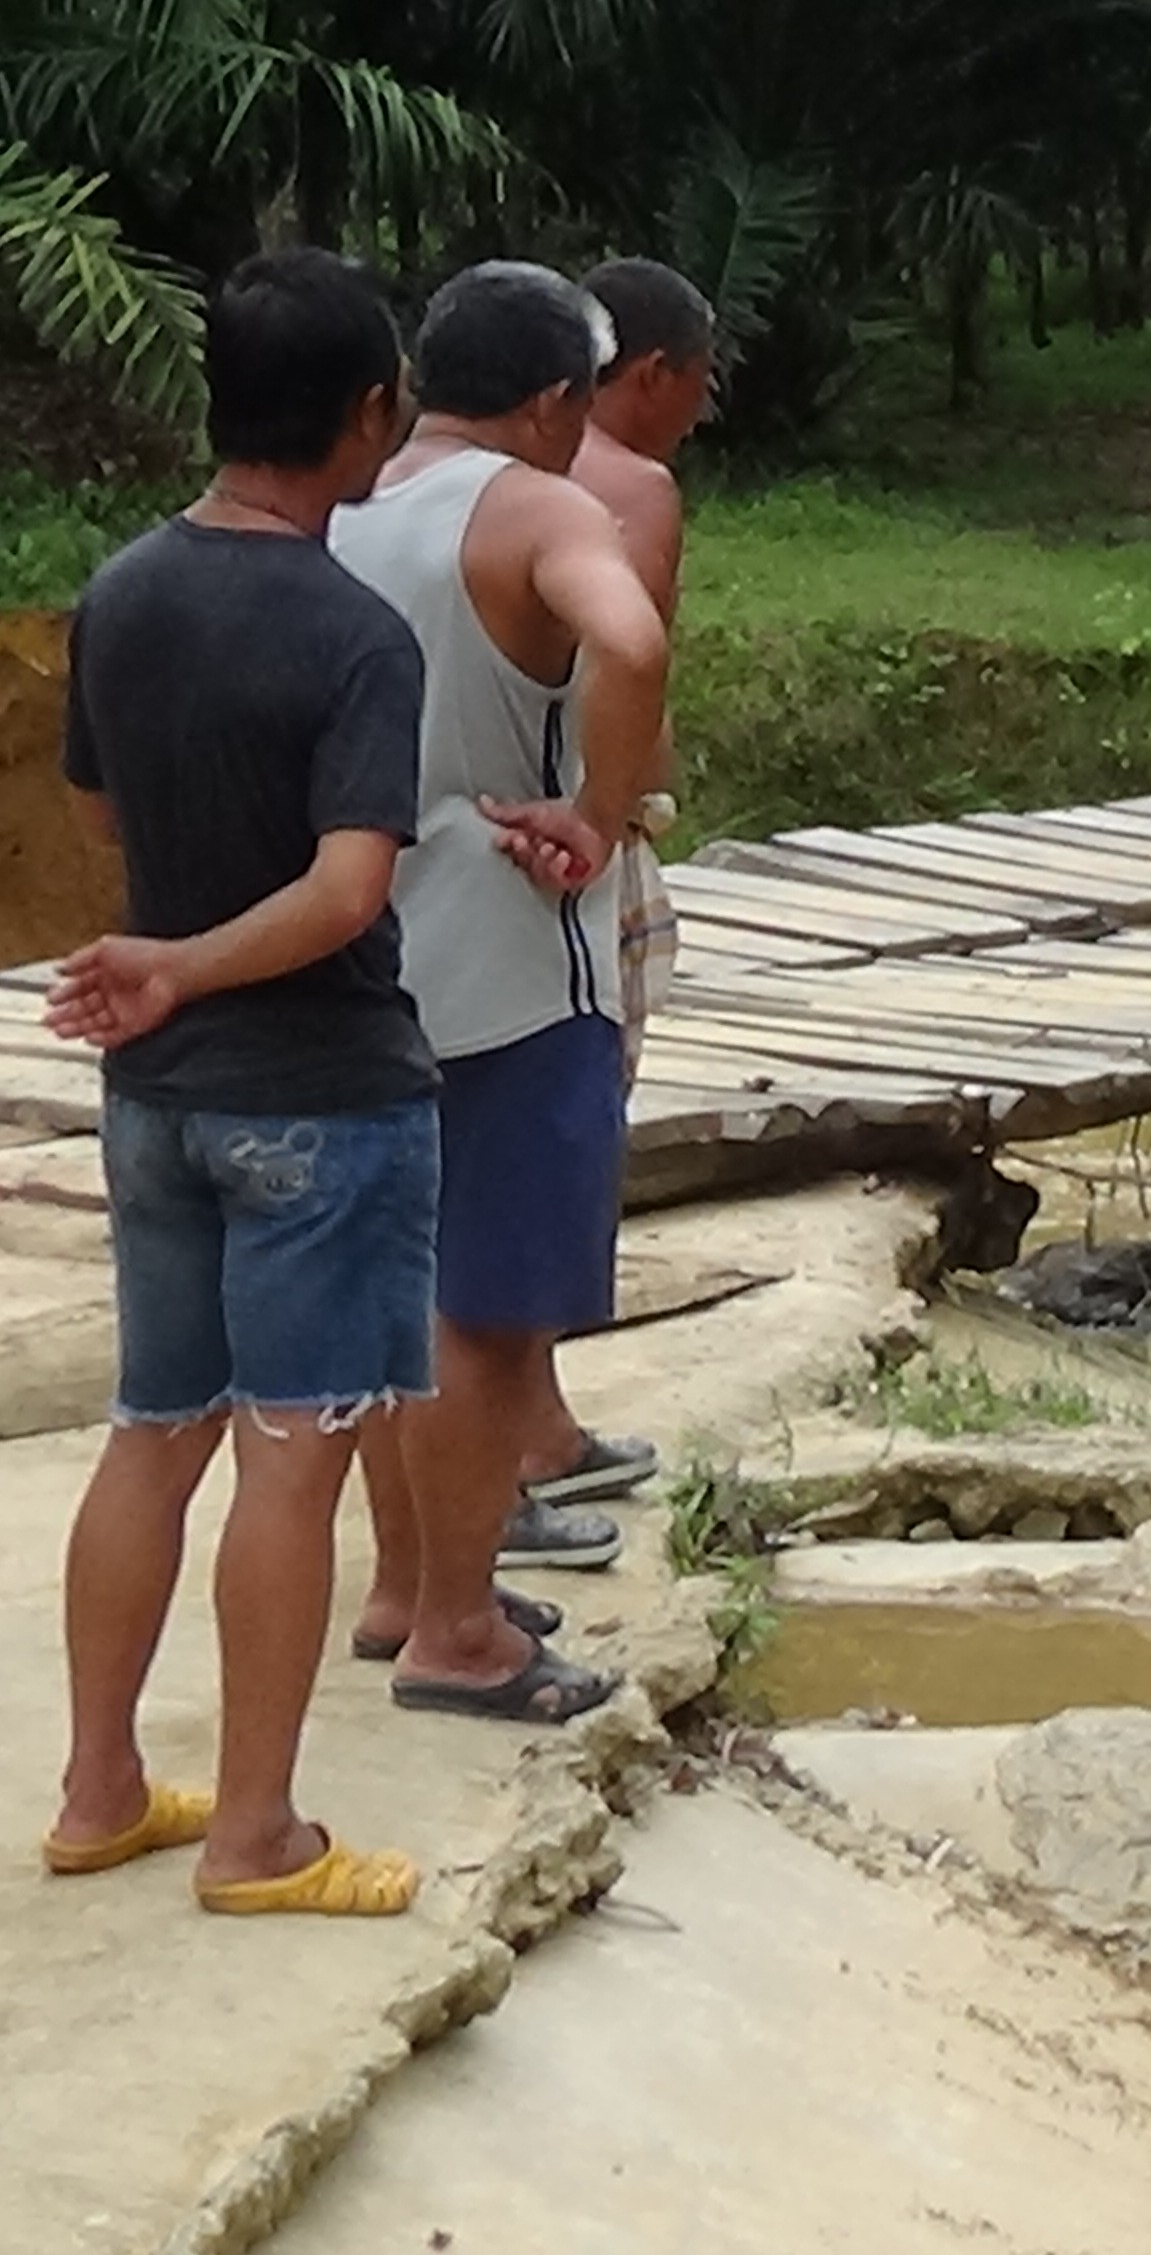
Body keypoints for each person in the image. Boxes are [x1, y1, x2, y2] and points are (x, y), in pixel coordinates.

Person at [42, 249, 433, 1915]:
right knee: (295, 1449)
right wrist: (197, 960)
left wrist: (163, 964)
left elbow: (120, 818)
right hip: (322, 1098)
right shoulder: (355, 632)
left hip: (158, 1097)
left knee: (154, 1432)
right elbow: (352, 888)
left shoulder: (122, 590)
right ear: (365, 417)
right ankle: (259, 1831)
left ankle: (99, 1785)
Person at [331, 258, 679, 1722]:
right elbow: (630, 632)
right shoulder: (535, 506)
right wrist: (601, 808)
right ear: (552, 403)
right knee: (480, 1308)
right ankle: (461, 1631)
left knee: (388, 1293)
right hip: (513, 956)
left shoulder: (346, 505)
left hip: (354, 943)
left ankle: (408, 1579)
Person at [543, 258, 709, 1521]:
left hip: (443, 839)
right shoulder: (628, 487)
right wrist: (606, 816)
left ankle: (531, 1418)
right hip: (583, 843)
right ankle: (525, 1434)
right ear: (646, 372)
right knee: (571, 1116)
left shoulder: (404, 487)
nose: (695, 414)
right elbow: (627, 656)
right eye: (696, 386)